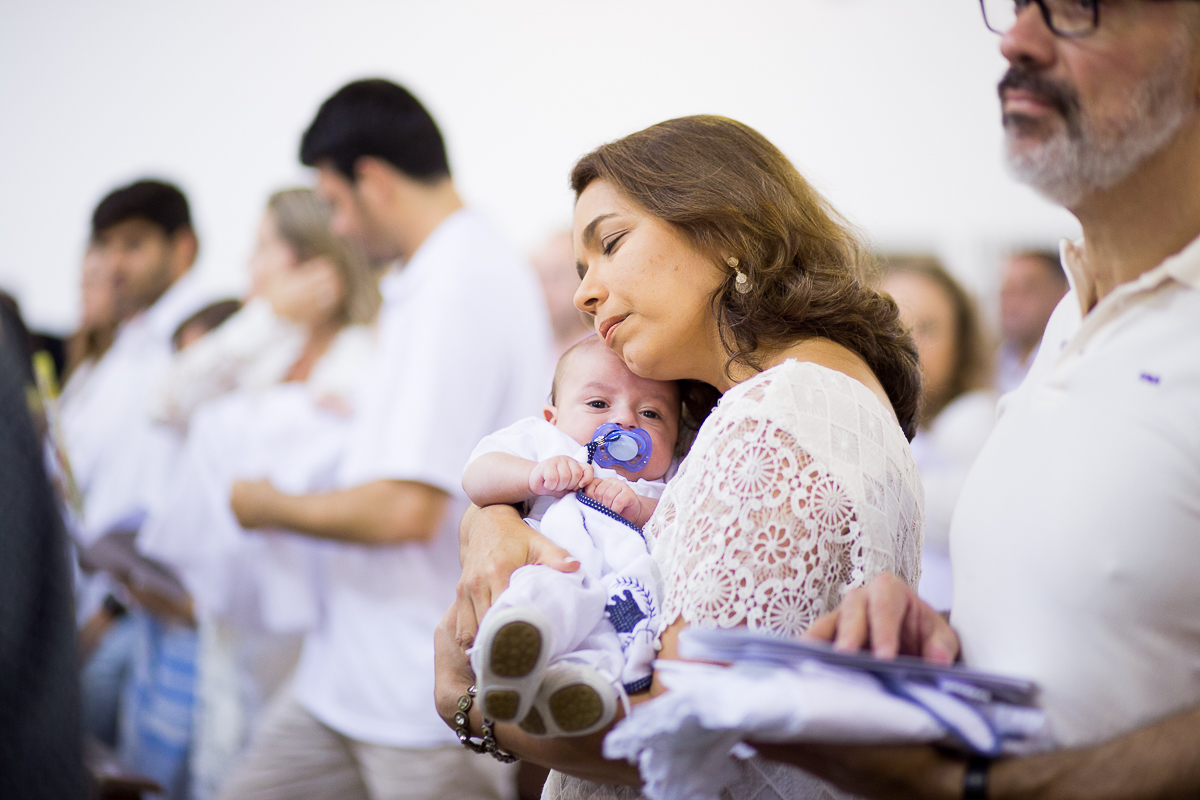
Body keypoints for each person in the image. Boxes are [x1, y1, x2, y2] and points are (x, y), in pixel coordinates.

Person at [437, 115, 925, 799]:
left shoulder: (774, 416)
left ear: (723, 228)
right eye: (582, 269)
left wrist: (468, 706)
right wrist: (495, 517)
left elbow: (675, 730)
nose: (585, 292)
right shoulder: (802, 400)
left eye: (610, 243)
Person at [784, 2, 1200, 797]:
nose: (1016, 41)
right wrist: (938, 653)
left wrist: (975, 788)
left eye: (1078, 10)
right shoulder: (1072, 316)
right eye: (1014, 8)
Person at [221, 79, 550, 800]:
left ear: (371, 181)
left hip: (418, 688)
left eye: (334, 203)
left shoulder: (457, 285)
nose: (335, 227)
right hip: (346, 673)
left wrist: (265, 503)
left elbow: (405, 509)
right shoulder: (440, 275)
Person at [138, 187, 379, 800]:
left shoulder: (370, 351)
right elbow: (166, 403)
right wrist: (267, 318)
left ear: (314, 259)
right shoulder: (266, 347)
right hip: (233, 625)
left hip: (317, 626)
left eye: (263, 248)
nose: (251, 266)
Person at [463, 335, 706, 739]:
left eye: (651, 413)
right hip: (555, 564)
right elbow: (477, 476)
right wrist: (531, 476)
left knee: (612, 645)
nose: (626, 421)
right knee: (541, 596)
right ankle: (507, 659)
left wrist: (638, 508)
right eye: (598, 404)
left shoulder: (666, 478)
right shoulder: (544, 443)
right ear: (552, 416)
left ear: (677, 438)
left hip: (624, 589)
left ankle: (571, 693)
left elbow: (678, 515)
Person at [879, 256, 995, 611]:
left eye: (927, 328)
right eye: (888, 324)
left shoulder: (976, 425)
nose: (905, 343)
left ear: (961, 344)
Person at [994, 249, 1067, 393]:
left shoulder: (1071, 362)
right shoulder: (991, 366)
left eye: (1026, 290)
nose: (1011, 301)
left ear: (1061, 294)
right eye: (1006, 290)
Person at [532, 230, 594, 361]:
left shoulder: (600, 354)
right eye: (540, 277)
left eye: (559, 276)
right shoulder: (537, 350)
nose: (545, 289)